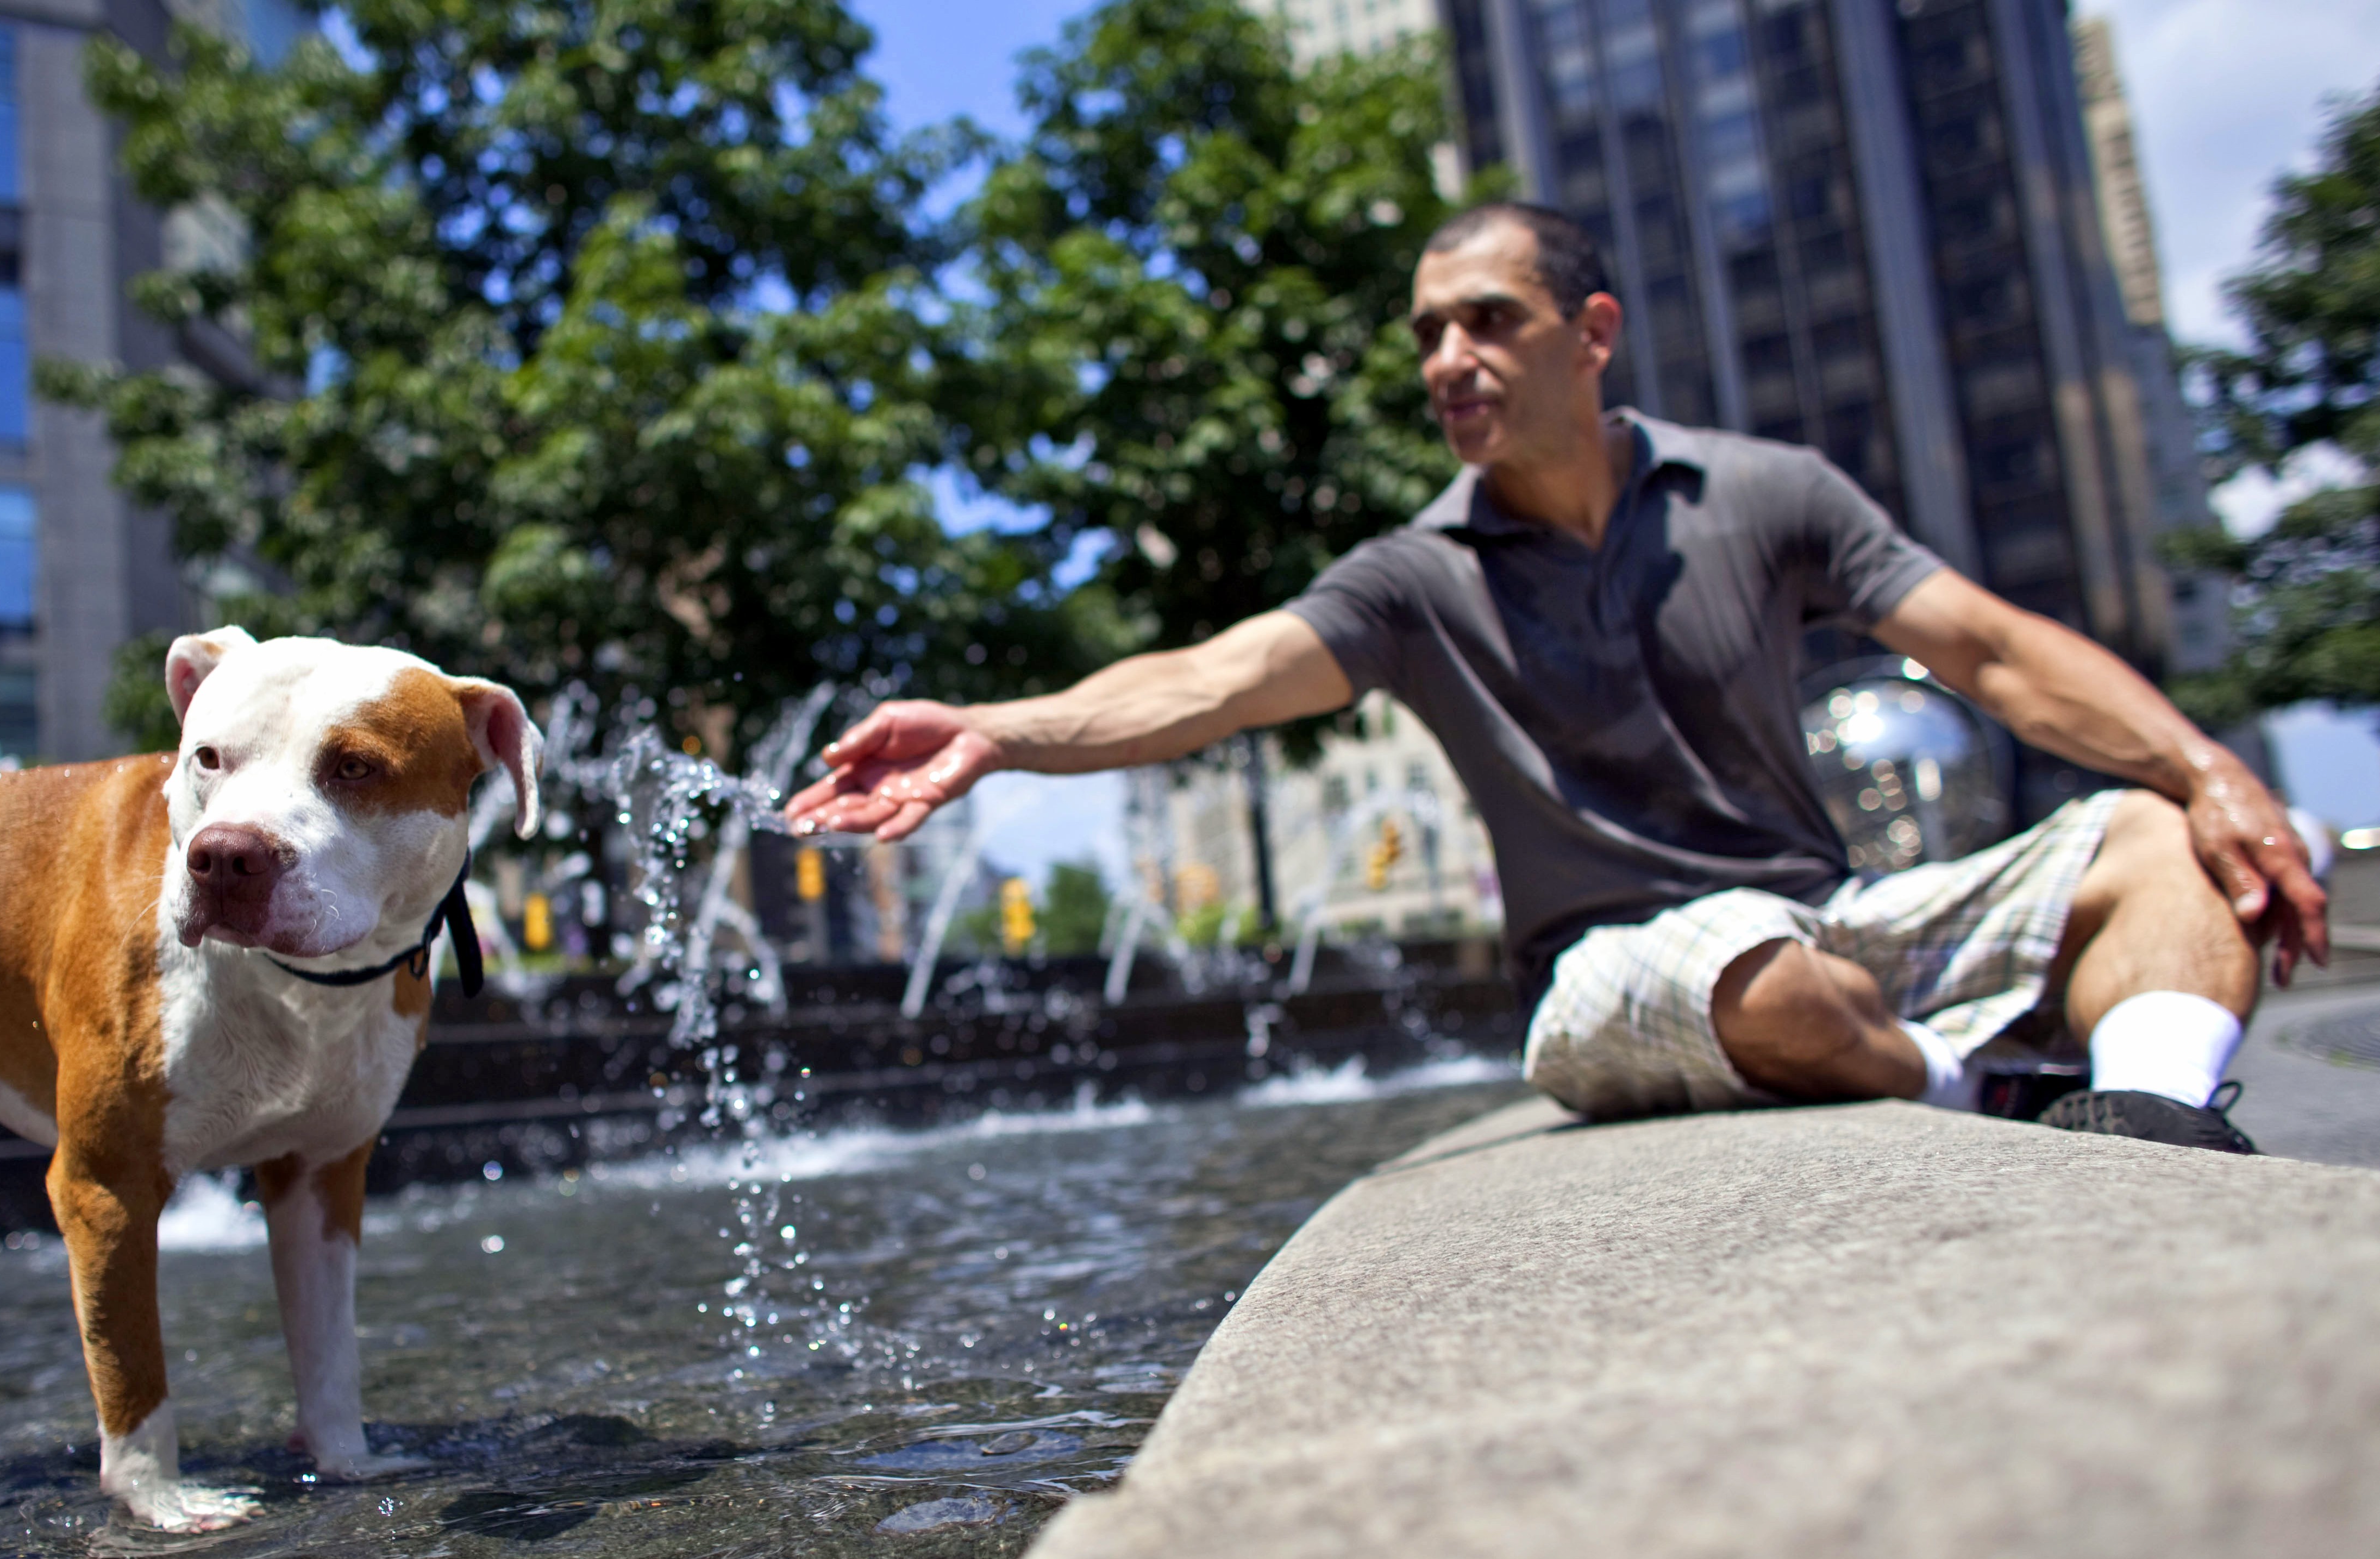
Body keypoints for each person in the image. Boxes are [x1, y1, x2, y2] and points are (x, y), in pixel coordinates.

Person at [785, 202, 2328, 1148]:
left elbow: (1986, 647)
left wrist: (2207, 771)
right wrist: (995, 731)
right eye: (1425, 336)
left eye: (1486, 322)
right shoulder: (1411, 578)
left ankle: (2153, 1128)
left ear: (1589, 334)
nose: (1446, 360)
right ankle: (1986, 1092)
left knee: (2161, 839)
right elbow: (1214, 678)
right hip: (1628, 976)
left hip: (1831, 921)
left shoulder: (1766, 493)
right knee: (1760, 976)